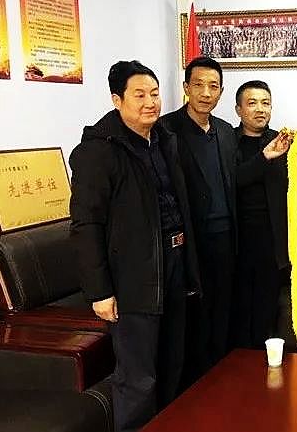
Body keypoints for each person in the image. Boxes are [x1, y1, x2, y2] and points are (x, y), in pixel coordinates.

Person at [69, 60, 201, 432]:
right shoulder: (98, 152)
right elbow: (86, 225)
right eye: (139, 95)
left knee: (173, 361)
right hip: (132, 278)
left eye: (155, 94)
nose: (150, 103)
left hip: (173, 262)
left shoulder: (163, 139)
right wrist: (99, 291)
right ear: (117, 100)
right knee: (138, 377)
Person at [159, 56, 237, 381]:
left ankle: (221, 377)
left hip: (226, 236)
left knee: (223, 311)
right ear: (186, 87)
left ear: (221, 92)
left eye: (213, 86)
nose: (206, 93)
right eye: (199, 85)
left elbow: (236, 179)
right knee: (194, 316)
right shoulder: (166, 130)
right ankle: (196, 385)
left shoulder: (225, 131)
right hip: (189, 240)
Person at [230, 80, 293, 349]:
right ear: (238, 109)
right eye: (252, 103)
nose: (260, 109)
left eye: (265, 103)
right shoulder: (226, 141)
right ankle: (241, 365)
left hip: (273, 243)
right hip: (237, 244)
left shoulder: (284, 141)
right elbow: (230, 180)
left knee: (269, 315)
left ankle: (267, 364)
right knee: (239, 315)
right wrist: (263, 158)